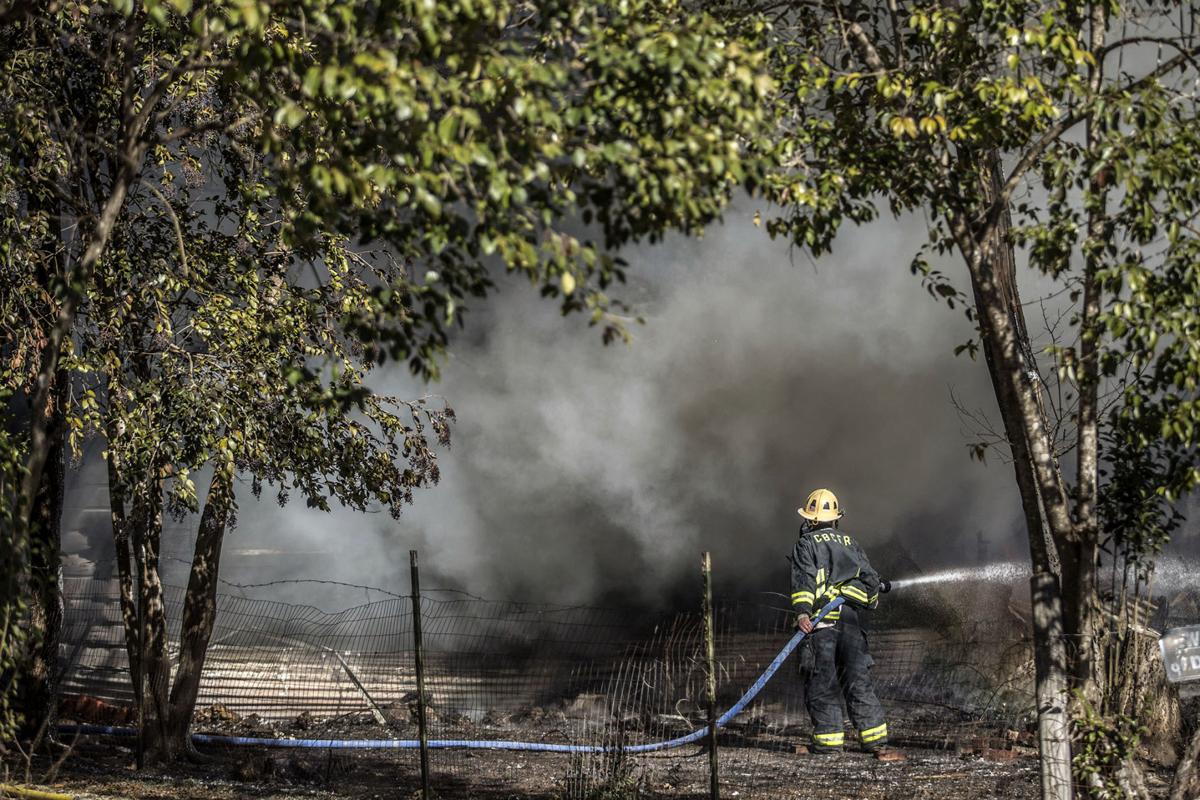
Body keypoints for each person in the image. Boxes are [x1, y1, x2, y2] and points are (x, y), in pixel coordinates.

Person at [789, 488, 901, 760]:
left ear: (812, 520)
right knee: (858, 681)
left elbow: (804, 579)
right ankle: (877, 743)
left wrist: (803, 612)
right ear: (836, 518)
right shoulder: (851, 542)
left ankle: (828, 743)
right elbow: (872, 582)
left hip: (821, 625)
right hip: (851, 623)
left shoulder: (806, 544)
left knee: (822, 681)